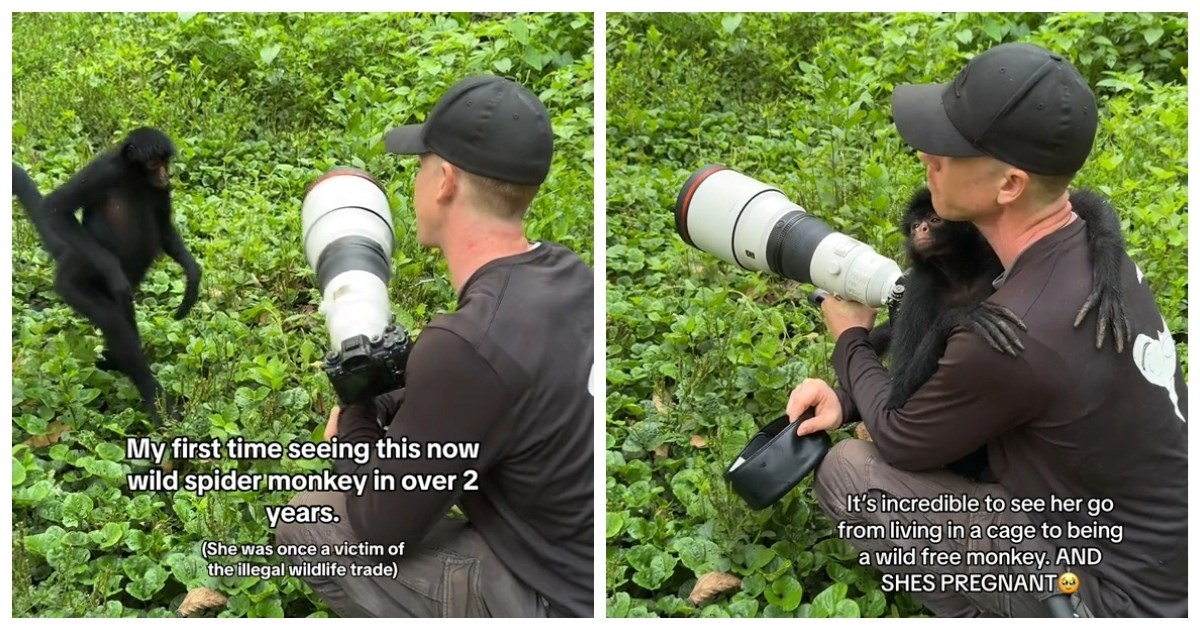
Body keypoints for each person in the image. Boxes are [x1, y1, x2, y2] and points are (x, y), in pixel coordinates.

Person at [784, 42, 1187, 617]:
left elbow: (899, 438)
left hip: (1111, 598)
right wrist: (850, 400)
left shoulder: (1011, 333)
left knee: (851, 475)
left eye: (948, 150)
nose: (927, 155)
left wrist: (851, 339)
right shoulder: (1094, 253)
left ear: (1010, 186)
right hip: (1162, 548)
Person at [275, 75, 595, 618]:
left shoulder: (470, 344)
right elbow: (500, 399)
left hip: (553, 599)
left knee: (311, 522)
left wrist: (354, 417)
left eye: (421, 165)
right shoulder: (571, 273)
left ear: (445, 180)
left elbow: (379, 531)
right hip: (580, 562)